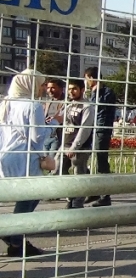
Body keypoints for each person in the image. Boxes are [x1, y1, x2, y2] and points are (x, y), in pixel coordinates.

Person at [0, 69, 50, 257]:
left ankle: (14, 238)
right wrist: (52, 125)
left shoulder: (6, 103)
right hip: (25, 156)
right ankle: (15, 238)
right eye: (41, 84)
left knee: (25, 195)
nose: (43, 88)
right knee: (31, 195)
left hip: (6, 156)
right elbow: (37, 137)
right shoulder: (33, 105)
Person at [57, 78, 94, 210]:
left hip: (79, 147)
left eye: (74, 89)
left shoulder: (87, 106)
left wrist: (75, 146)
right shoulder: (69, 104)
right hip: (65, 144)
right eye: (69, 89)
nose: (71, 91)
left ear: (82, 90)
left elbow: (85, 128)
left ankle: (77, 203)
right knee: (58, 170)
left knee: (79, 175)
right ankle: (70, 197)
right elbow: (63, 121)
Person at [83, 67, 116, 207]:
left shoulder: (106, 92)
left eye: (86, 78)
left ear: (91, 78)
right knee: (86, 159)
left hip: (102, 130)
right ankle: (95, 190)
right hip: (94, 129)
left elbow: (99, 108)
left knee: (101, 161)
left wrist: (96, 91)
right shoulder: (92, 93)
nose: (86, 82)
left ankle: (105, 195)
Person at [43, 78, 65, 170]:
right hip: (46, 135)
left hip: (58, 135)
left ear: (61, 89)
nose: (49, 90)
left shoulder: (66, 102)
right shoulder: (48, 101)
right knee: (44, 161)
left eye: (53, 88)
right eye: (48, 88)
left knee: (54, 162)